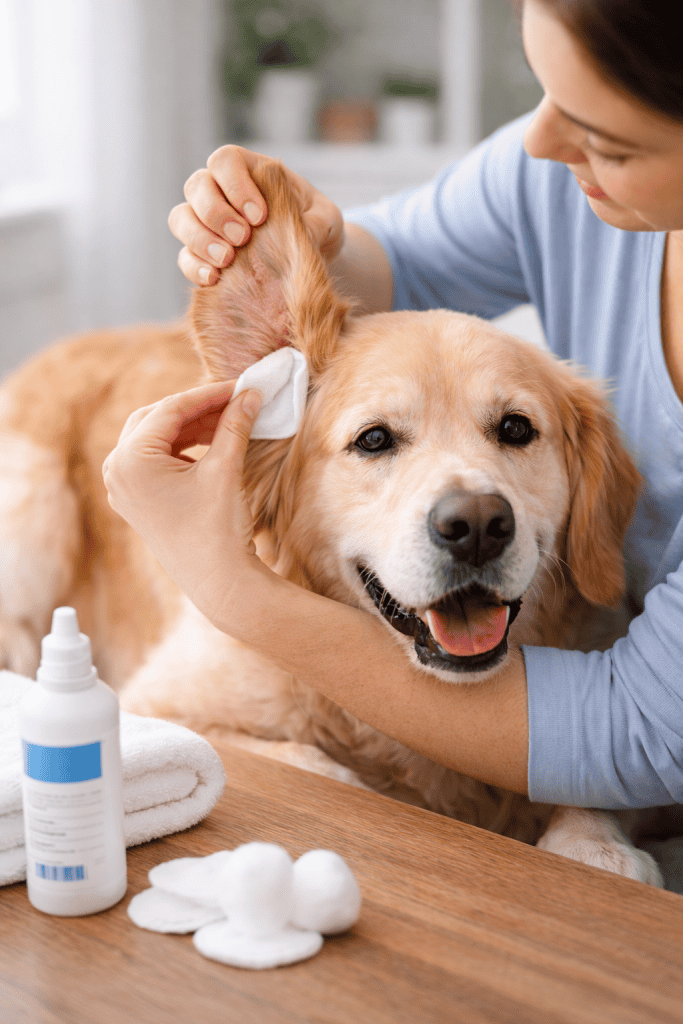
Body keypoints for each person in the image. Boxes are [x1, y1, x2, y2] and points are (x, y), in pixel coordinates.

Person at [103, 0, 683, 810]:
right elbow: (394, 256)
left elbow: (641, 737)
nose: (538, 143)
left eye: (512, 429)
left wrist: (230, 587)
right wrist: (301, 242)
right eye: (377, 439)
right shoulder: (553, 172)